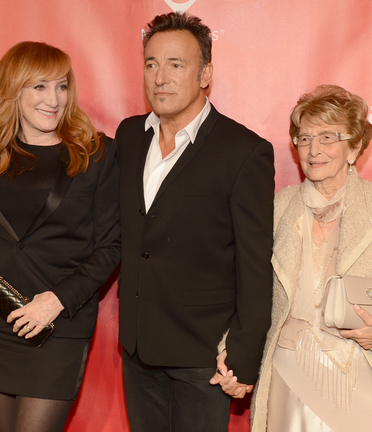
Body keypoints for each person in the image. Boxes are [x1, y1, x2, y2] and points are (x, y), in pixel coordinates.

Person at [227, 84, 372, 431]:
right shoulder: (276, 209)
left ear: (355, 146)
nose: (313, 149)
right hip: (291, 379)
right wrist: (231, 350)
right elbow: (245, 291)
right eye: (303, 138)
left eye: (328, 137)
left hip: (368, 376)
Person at [115, 12, 275, 431]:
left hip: (204, 356)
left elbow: (254, 264)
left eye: (175, 64)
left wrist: (243, 352)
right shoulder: (130, 136)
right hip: (137, 352)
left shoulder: (243, 151)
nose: (160, 77)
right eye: (151, 63)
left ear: (205, 74)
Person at [0, 41, 121, 432]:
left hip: (57, 327)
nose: (53, 99)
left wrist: (56, 301)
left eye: (62, 86)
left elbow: (110, 248)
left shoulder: (95, 154)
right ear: (13, 91)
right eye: (39, 86)